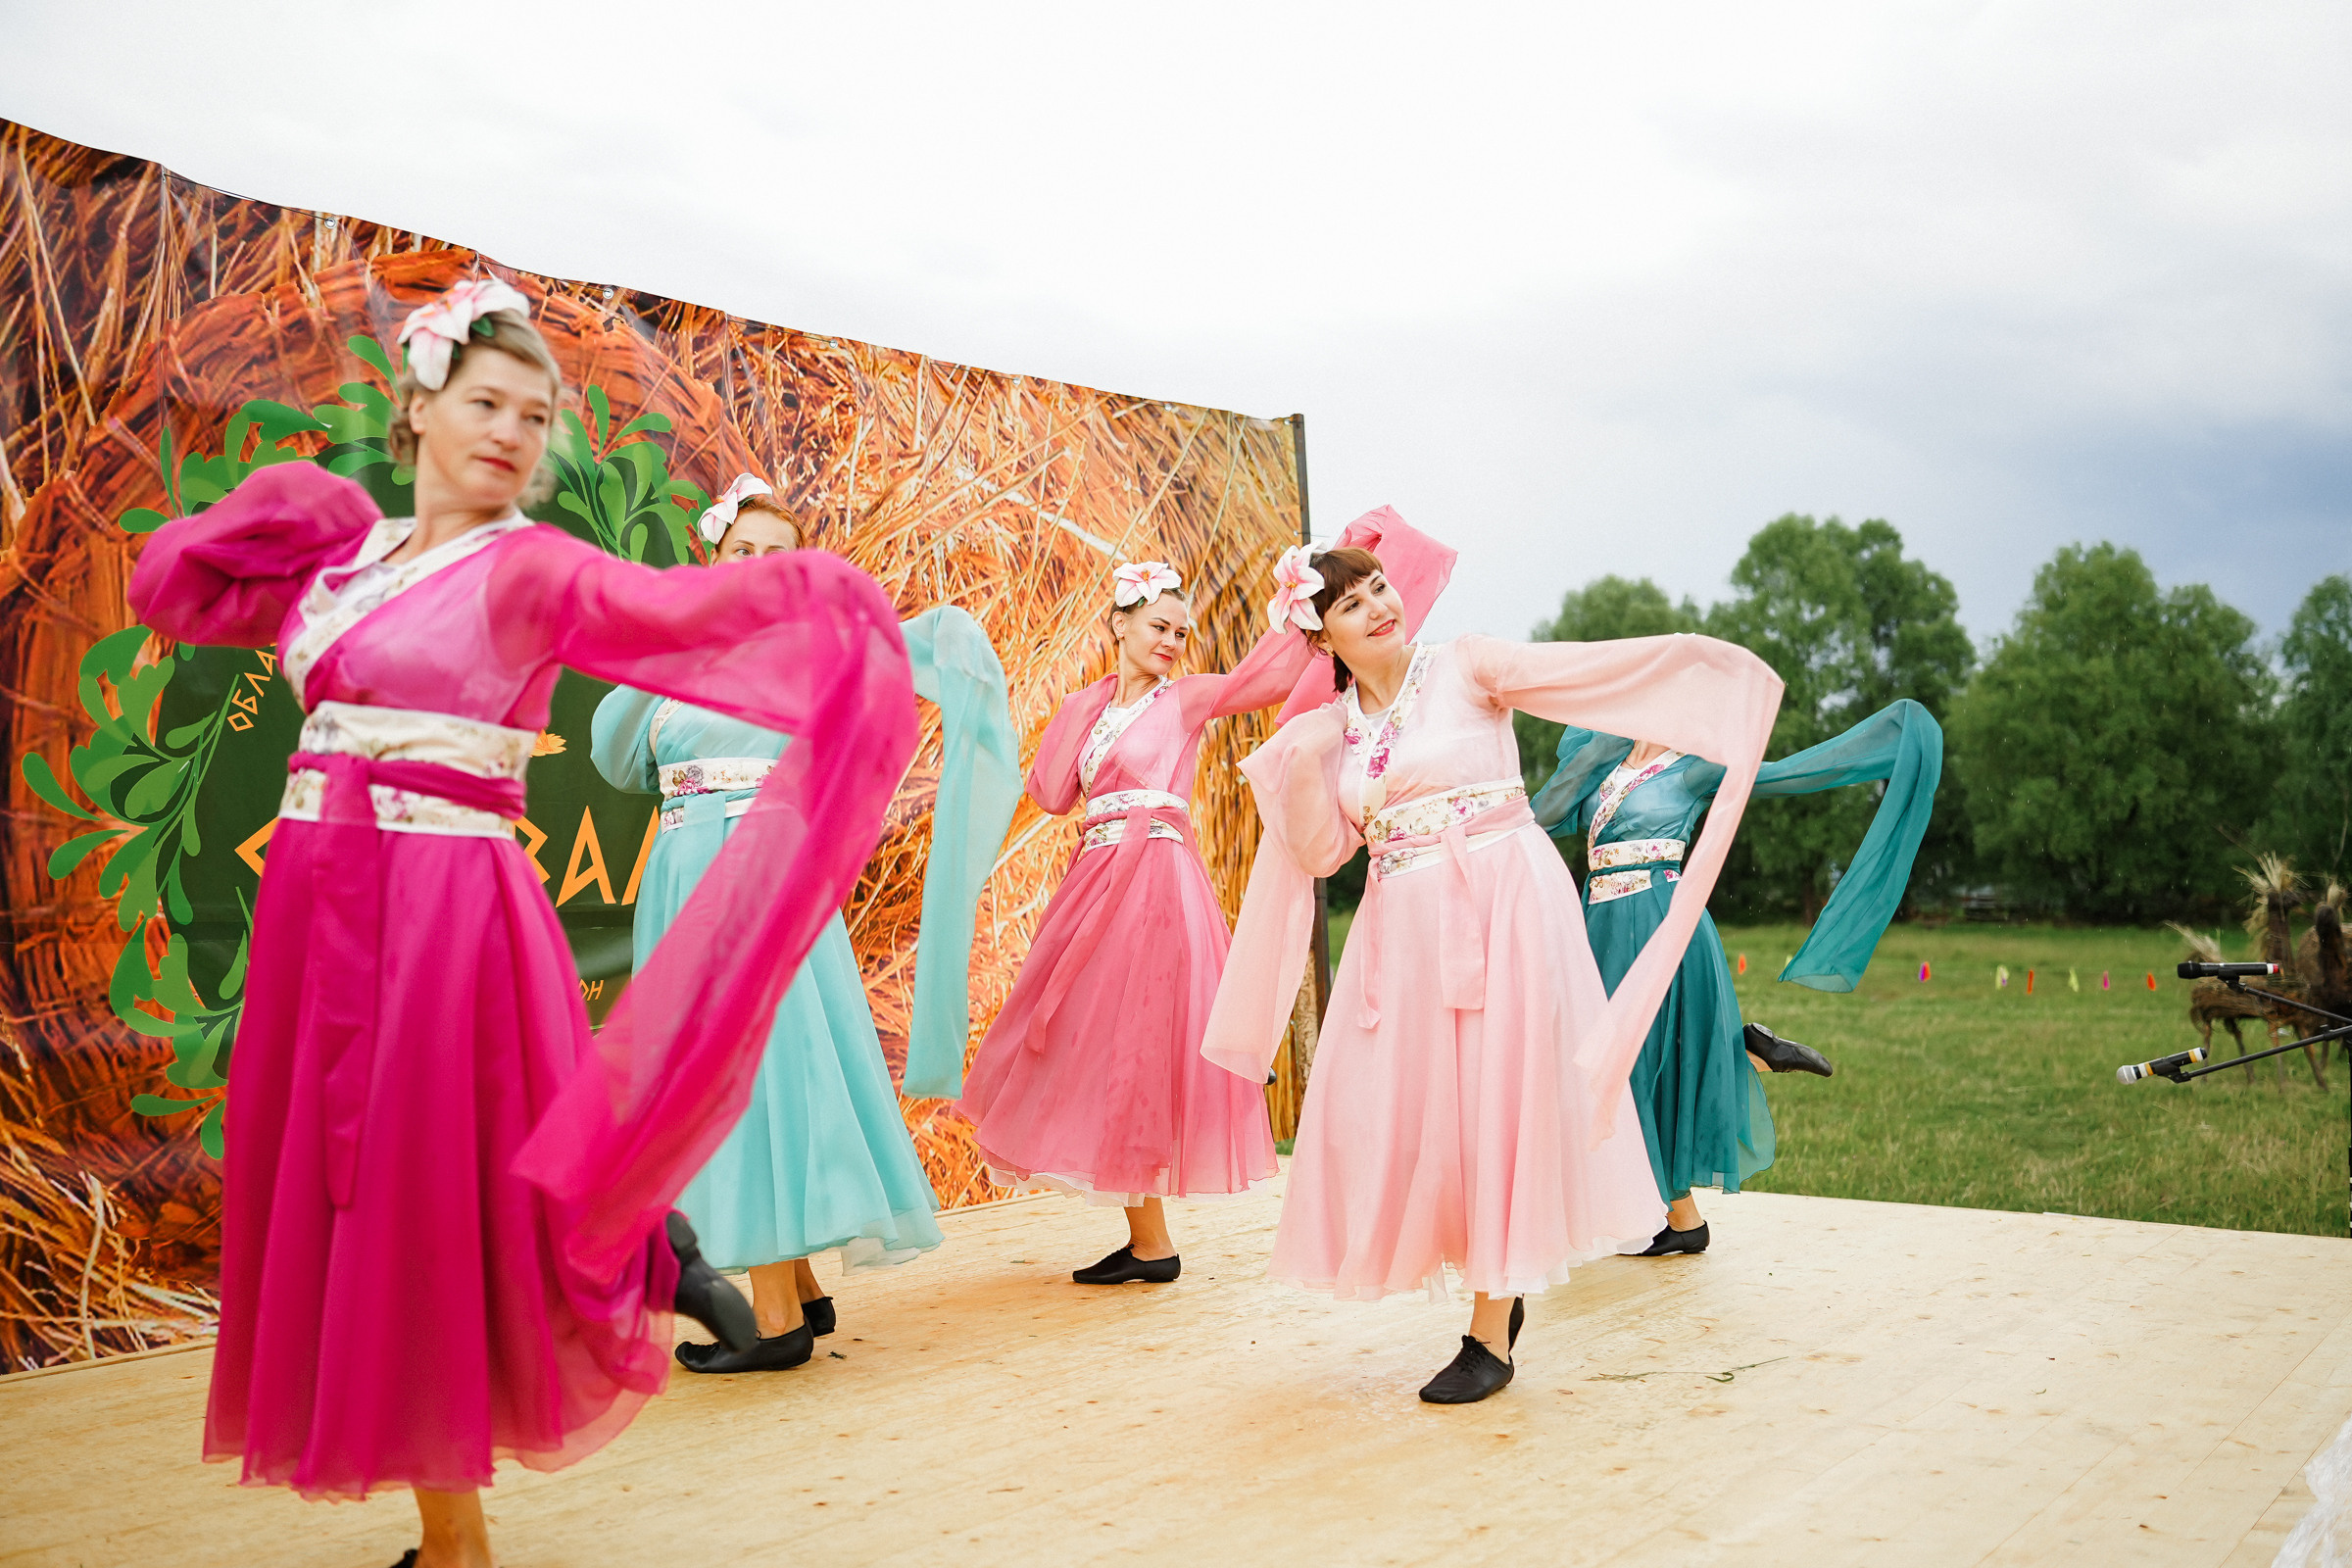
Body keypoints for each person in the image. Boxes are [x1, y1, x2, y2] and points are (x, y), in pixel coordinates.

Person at [126, 280, 916, 1568]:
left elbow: (686, 622)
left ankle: (624, 1290)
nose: (512, 432)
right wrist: (289, 504)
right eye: (487, 401)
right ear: (417, 408)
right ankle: (459, 1523)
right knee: (364, 1206)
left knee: (434, 1194)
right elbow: (177, 591)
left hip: (444, 915)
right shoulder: (345, 559)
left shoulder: (534, 567)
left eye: (538, 416)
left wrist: (826, 603)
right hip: (323, 914)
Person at [1202, 527, 1783, 1404]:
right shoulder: (1335, 733)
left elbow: (1593, 674)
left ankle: (1489, 1326)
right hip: (1401, 934)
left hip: (1504, 908)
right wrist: (1299, 771)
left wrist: (1698, 677)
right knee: (1408, 1118)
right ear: (1321, 638)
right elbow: (1324, 856)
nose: (1379, 607)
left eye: (1380, 589)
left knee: (1497, 1107)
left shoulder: (1468, 668)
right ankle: (1484, 1294)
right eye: (1351, 604)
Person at [592, 474, 1019, 1372]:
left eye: (776, 557)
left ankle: (776, 1315)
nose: (757, 569)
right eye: (741, 551)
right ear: (713, 558)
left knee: (758, 1076)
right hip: (682, 872)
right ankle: (808, 1294)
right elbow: (616, 759)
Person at [957, 513, 1450, 1285]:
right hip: (1094, 883)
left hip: (1154, 878)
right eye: (1158, 627)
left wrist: (1304, 596)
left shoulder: (1183, 700)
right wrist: (1076, 711)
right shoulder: (1090, 709)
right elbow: (1053, 792)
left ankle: (1153, 1239)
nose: (1171, 644)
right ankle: (1148, 1239)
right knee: (1083, 1037)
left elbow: (1272, 681)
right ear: (1119, 623)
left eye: (1181, 633)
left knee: (1139, 1042)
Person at [1531, 701, 1943, 1254]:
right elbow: (1543, 816)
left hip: (1663, 920)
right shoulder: (1606, 763)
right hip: (1602, 923)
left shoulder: (1694, 767)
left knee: (1634, 1064)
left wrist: (1884, 746)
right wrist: (1599, 751)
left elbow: (1783, 777)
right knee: (1606, 1061)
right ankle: (1737, 1073)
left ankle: (1682, 1215)